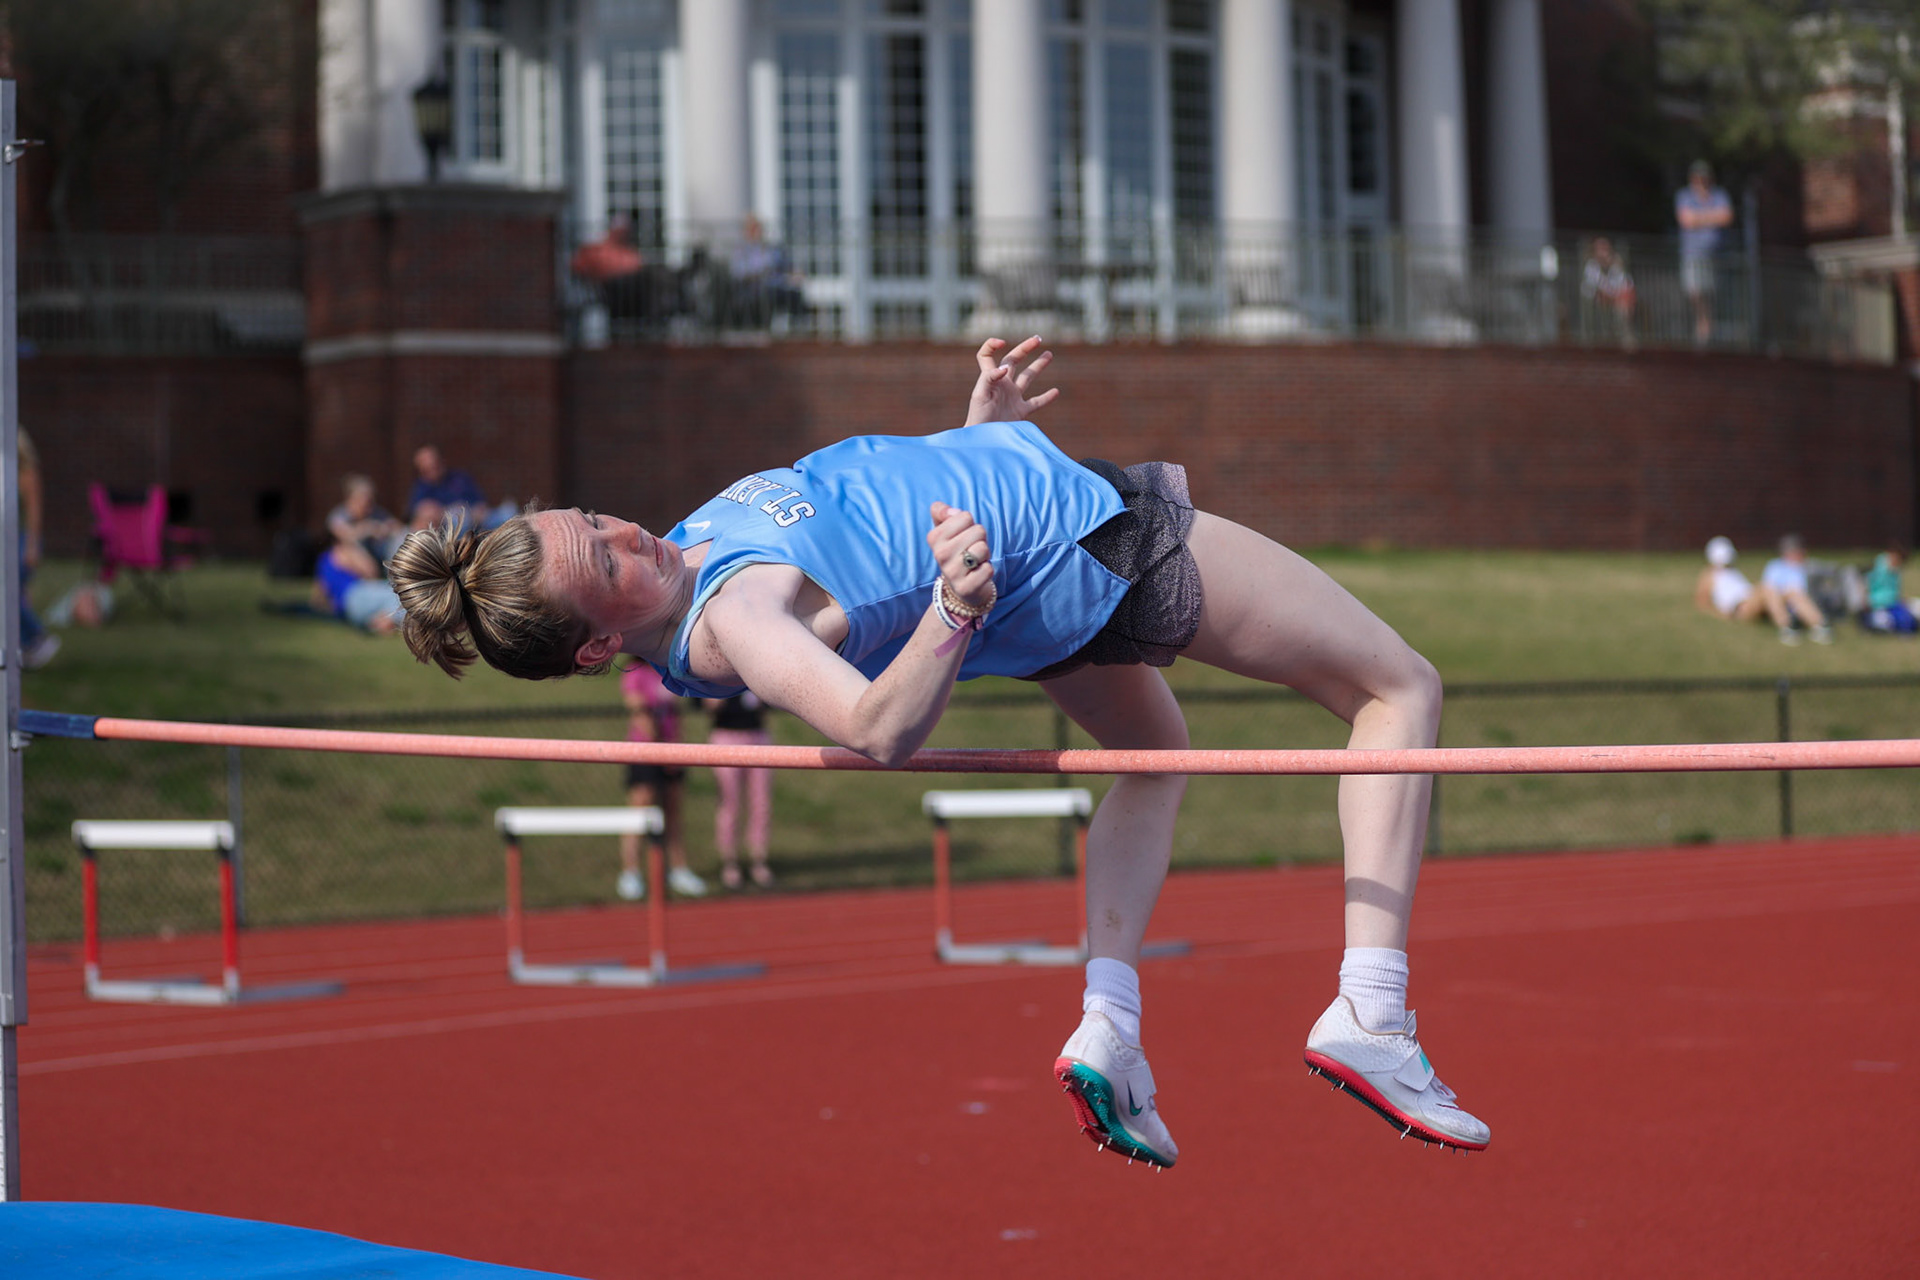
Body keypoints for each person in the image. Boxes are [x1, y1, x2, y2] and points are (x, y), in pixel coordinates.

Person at [389, 336, 1481, 1168]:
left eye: (601, 517)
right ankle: (1372, 1008)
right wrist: (954, 607)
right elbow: (876, 729)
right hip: (1083, 541)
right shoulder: (734, 622)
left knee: (1155, 756)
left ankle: (1111, 1025)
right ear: (594, 646)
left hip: (1032, 559)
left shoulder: (680, 560)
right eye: (611, 561)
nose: (634, 533)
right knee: (1396, 684)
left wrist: (977, 434)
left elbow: (861, 524)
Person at [617, 659, 707, 901]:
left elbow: (675, 714)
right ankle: (631, 872)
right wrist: (660, 749)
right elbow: (640, 714)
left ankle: (678, 869)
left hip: (671, 750)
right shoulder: (634, 673)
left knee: (673, 811)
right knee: (639, 811)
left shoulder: (666, 671)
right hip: (644, 751)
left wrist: (675, 749)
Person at [704, 692, 775, 889]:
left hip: (756, 735)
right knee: (729, 803)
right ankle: (730, 862)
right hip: (726, 736)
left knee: (761, 803)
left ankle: (759, 860)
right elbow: (709, 705)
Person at [1675, 160, 1733, 346]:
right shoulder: (1684, 196)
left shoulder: (1719, 194)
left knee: (1713, 295)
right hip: (1692, 256)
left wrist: (1699, 217)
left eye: (1705, 177)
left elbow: (1726, 217)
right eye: (1698, 177)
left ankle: (1707, 333)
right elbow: (1686, 220)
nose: (1702, 181)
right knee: (1695, 292)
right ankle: (1701, 330)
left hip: (1716, 256)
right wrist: (1712, 216)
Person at [17, 426, 58, 669]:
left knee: (7, 594)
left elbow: (34, 512)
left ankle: (37, 637)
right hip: (8, 541)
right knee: (15, 594)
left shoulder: (25, 471)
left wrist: (31, 547)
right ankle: (23, 646)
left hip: (23, 541)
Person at [408, 445, 515, 534]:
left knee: (508, 515)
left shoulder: (460, 478)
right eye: (428, 469)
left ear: (442, 462)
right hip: (448, 528)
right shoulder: (421, 489)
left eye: (436, 466)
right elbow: (417, 516)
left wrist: (477, 510)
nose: (433, 472)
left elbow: (480, 503)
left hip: (474, 520)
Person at [728, 215, 805, 329]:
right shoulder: (741, 252)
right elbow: (738, 273)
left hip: (775, 285)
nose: (756, 233)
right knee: (766, 295)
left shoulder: (770, 249)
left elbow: (785, 266)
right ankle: (764, 329)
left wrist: (794, 274)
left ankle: (798, 329)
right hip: (754, 289)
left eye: (758, 229)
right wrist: (759, 273)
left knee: (794, 294)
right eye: (752, 229)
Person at [312, 542, 406, 634]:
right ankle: (392, 621)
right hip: (355, 593)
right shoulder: (341, 550)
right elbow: (371, 572)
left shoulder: (323, 560)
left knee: (393, 597)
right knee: (401, 592)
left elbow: (319, 598)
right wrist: (358, 550)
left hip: (348, 612)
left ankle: (384, 622)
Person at [1760, 534, 1833, 645]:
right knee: (1773, 591)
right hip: (1777, 600)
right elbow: (1768, 586)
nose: (1794, 554)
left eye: (1796, 551)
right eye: (1790, 551)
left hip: (1800, 600)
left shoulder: (1808, 566)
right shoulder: (1774, 565)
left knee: (1794, 593)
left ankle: (1819, 627)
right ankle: (1787, 628)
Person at [326, 474, 405, 568]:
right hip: (345, 564)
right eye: (364, 501)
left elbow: (398, 527)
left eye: (370, 501)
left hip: (378, 560)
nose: (369, 507)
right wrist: (368, 529)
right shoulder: (339, 516)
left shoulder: (376, 513)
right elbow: (344, 534)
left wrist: (385, 528)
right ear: (351, 499)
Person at [1694, 535, 1767, 624]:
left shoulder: (1732, 571)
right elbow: (1702, 603)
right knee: (1766, 589)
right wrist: (1721, 616)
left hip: (1750, 598)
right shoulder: (1710, 574)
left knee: (1770, 590)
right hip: (1741, 607)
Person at [1579, 237, 1636, 348]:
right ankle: (1609, 337)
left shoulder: (1615, 264)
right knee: (1620, 301)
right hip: (1597, 297)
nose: (1604, 252)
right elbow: (1594, 286)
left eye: (1606, 248)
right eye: (1601, 249)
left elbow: (1624, 283)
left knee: (1625, 302)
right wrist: (1611, 293)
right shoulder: (1592, 265)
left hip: (1614, 297)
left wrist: (1618, 293)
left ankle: (1625, 337)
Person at [1862, 544, 1916, 634]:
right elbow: (1868, 586)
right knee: (1884, 622)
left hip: (1893, 604)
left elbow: (1895, 592)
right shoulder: (1879, 569)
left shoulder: (1895, 572)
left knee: (1906, 619)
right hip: (1879, 605)